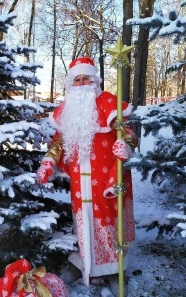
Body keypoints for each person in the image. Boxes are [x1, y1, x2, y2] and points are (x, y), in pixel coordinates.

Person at [36, 57, 137, 296]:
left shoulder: (110, 103)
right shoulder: (67, 109)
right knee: (81, 221)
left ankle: (113, 270)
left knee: (108, 223)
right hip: (80, 183)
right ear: (71, 84)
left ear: (95, 80)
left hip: (106, 178)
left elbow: (129, 133)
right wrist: (49, 160)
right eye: (77, 79)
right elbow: (59, 141)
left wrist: (128, 145)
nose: (82, 83)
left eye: (86, 78)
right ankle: (81, 263)